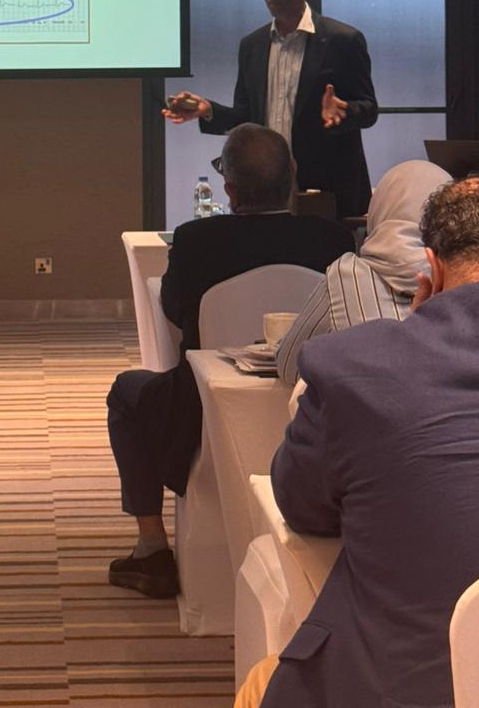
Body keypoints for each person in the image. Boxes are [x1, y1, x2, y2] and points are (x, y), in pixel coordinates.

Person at [247, 173, 479, 708]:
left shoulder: (355, 365)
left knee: (261, 682)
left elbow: (302, 505)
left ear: (433, 268)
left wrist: (410, 332)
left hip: (405, 690)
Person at [106, 123, 353, 600]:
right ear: (293, 177)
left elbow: (175, 310)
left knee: (126, 392)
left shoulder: (196, 241)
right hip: (312, 404)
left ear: (230, 189)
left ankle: (152, 549)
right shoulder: (332, 240)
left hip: (199, 406)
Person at [164, 0, 378, 216]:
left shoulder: (342, 40)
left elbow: (369, 110)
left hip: (325, 190)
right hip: (265, 190)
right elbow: (247, 117)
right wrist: (207, 111)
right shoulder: (252, 46)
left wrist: (343, 112)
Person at [276, 159, 450, 386]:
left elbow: (289, 365)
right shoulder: (467, 280)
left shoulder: (345, 275)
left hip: (362, 408)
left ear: (377, 210)